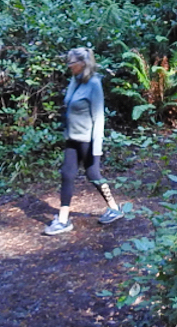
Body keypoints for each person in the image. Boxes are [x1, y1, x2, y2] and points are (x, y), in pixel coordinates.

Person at [44, 47, 124, 235]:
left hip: (87, 140)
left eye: (72, 63)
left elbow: (99, 118)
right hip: (72, 138)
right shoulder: (74, 81)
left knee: (93, 173)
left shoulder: (94, 84)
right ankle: (63, 220)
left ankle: (114, 208)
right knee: (67, 174)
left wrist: (97, 148)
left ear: (82, 64)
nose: (69, 66)